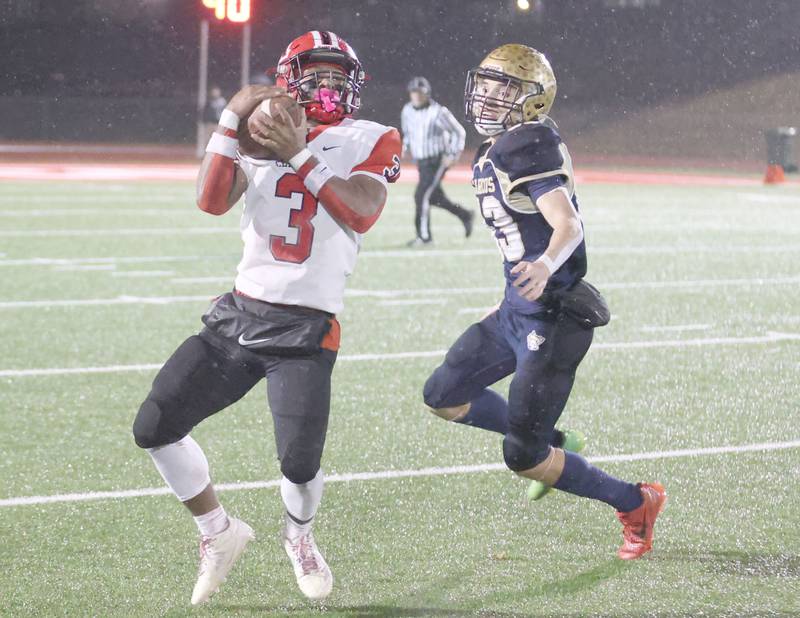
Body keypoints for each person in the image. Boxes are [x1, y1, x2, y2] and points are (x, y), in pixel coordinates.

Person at [132, 30, 401, 605]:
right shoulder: (259, 126)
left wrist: (297, 152)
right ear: (289, 78)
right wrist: (232, 120)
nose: (328, 84)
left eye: (337, 74)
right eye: (316, 72)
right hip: (239, 313)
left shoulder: (371, 136)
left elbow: (361, 212)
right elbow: (209, 202)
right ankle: (218, 532)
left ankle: (298, 537)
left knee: (300, 466)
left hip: (307, 328)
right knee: (153, 426)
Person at [422, 44, 666, 560]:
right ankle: (556, 436)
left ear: (532, 100)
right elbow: (518, 237)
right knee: (444, 393)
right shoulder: (497, 146)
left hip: (553, 319)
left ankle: (635, 501)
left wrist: (544, 267)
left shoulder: (524, 145)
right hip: (517, 309)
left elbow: (566, 224)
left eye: (502, 88)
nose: (487, 96)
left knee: (523, 456)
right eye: (484, 85)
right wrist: (507, 292)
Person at [400, 76, 472, 247]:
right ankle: (465, 215)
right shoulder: (407, 110)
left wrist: (452, 154)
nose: (417, 96)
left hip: (436, 160)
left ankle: (424, 238)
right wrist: (403, 147)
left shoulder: (438, 112)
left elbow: (459, 132)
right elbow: (408, 132)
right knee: (434, 197)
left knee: (421, 196)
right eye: (414, 93)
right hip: (421, 161)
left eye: (420, 93)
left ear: (427, 94)